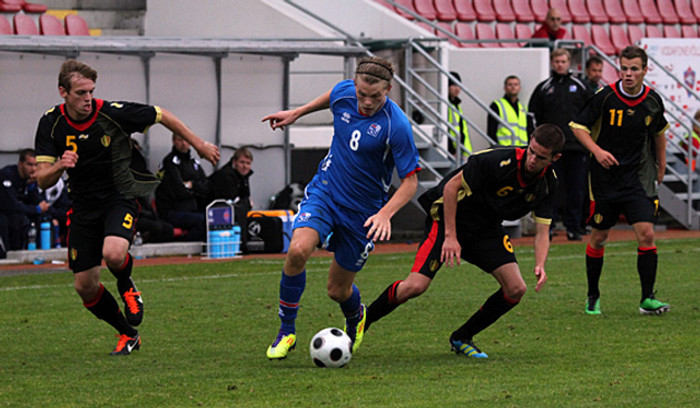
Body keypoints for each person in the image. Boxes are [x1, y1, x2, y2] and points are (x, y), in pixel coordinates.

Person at [34, 59, 219, 355]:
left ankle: (126, 283)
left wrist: (199, 144)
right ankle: (128, 334)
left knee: (114, 253)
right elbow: (42, 179)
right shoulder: (50, 123)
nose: (88, 98)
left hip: (119, 196)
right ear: (62, 92)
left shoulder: (112, 113)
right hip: (82, 207)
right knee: (84, 287)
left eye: (91, 91)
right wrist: (59, 165)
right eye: (81, 93)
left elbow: (161, 115)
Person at [261, 56, 420, 360]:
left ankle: (357, 315)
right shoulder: (345, 91)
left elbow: (410, 182)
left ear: (388, 89)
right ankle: (287, 331)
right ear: (355, 85)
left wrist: (385, 214)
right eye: (362, 94)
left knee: (337, 290)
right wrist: (297, 113)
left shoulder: (396, 125)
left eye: (375, 96)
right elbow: (333, 96)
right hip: (326, 192)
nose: (367, 102)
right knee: (297, 250)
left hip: (363, 212)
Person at [365, 124, 564, 358]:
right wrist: (451, 237)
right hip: (448, 219)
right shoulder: (496, 160)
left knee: (516, 289)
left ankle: (462, 337)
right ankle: (362, 320)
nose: (532, 160)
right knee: (415, 287)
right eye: (531, 151)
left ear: (555, 158)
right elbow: (451, 187)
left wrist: (540, 264)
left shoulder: (548, 184)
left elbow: (542, 230)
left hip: (486, 228)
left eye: (540, 157)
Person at [570, 45, 671, 316]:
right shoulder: (605, 97)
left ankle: (647, 299)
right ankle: (593, 295)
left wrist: (661, 164)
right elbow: (577, 127)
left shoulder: (652, 100)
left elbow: (660, 132)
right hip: (605, 180)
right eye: (624, 68)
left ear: (645, 70)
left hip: (638, 178)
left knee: (646, 234)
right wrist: (597, 151)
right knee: (599, 237)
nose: (628, 74)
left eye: (634, 69)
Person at [529, 48, 589, 241]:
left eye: (563, 61)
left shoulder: (581, 86)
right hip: (551, 150)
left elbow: (592, 113)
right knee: (549, 187)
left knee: (577, 188)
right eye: (557, 62)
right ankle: (548, 225)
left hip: (577, 147)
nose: (560, 65)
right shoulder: (544, 88)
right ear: (552, 63)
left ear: (569, 63)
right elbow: (533, 116)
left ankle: (574, 227)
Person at [155, 132, 211, 242]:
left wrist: (192, 185)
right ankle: (178, 244)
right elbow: (178, 190)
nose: (184, 143)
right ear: (174, 141)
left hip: (192, 210)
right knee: (204, 221)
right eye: (180, 140)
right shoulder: (169, 162)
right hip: (172, 211)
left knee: (216, 219)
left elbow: (207, 187)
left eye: (186, 140)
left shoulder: (194, 163)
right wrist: (196, 189)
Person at [0, 149, 50, 250]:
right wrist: (37, 209)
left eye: (36, 165)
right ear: (20, 164)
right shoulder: (7, 175)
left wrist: (32, 187)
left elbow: (42, 203)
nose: (33, 169)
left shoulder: (30, 180)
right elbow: (12, 206)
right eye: (30, 165)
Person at [130, 138, 174, 244]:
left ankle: (143, 237)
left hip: (145, 214)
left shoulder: (140, 175)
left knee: (168, 229)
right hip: (132, 215)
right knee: (156, 227)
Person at [208, 147, 254, 247]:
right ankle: (241, 244)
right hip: (214, 208)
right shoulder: (225, 175)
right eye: (242, 162)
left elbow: (244, 195)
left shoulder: (243, 177)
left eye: (248, 163)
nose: (245, 166)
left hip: (226, 207)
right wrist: (246, 202)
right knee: (240, 208)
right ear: (234, 162)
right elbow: (230, 198)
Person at [486, 75, 534, 146]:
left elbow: (529, 130)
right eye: (510, 85)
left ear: (519, 88)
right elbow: (491, 131)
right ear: (505, 88)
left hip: (522, 149)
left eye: (516, 84)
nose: (513, 87)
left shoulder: (523, 108)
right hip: (505, 148)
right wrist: (496, 148)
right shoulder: (497, 105)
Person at [447, 71, 472, 157]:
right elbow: (446, 129)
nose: (457, 89)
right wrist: (452, 150)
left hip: (459, 150)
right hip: (451, 152)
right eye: (454, 85)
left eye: (459, 85)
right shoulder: (445, 106)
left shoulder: (456, 106)